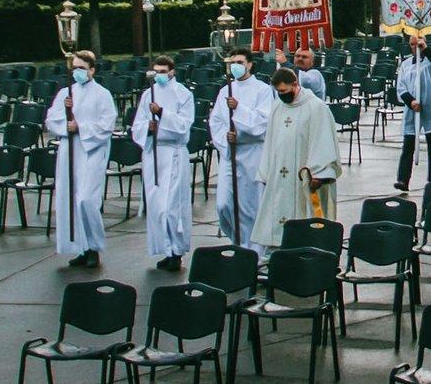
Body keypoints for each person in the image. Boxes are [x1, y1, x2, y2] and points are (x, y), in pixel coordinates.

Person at [250, 66, 344, 249]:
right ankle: (277, 250)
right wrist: (266, 172)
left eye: (284, 91)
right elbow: (270, 141)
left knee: (306, 220)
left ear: (295, 84)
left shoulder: (316, 107)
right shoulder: (278, 105)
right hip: (280, 177)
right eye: (278, 91)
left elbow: (324, 141)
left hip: (306, 178)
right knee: (278, 220)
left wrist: (319, 173)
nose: (281, 95)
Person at [45, 49, 117, 268]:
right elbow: (52, 119)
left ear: (92, 70)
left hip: (91, 150)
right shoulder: (66, 93)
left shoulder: (102, 94)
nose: (77, 71)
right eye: (74, 68)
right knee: (71, 199)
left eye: (82, 68)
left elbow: (107, 125)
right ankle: (81, 246)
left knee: (86, 199)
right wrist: (65, 127)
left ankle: (94, 246)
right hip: (69, 149)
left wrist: (81, 127)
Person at [131, 54, 195, 271]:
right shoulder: (148, 94)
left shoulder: (182, 94)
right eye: (156, 71)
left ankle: (177, 249)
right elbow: (137, 124)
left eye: (163, 72)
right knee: (157, 207)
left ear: (172, 72)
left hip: (174, 153)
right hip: (154, 153)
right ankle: (165, 249)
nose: (159, 75)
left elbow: (185, 124)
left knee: (171, 207)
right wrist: (147, 129)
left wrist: (162, 114)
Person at [209, 49, 270, 250]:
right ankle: (238, 239)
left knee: (250, 206)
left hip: (252, 153)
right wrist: (227, 137)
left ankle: (253, 249)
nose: (235, 65)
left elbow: (263, 122)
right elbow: (216, 121)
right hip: (230, 153)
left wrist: (239, 110)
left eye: (240, 61)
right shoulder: (225, 90)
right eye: (233, 62)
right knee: (224, 204)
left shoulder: (262, 90)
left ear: (250, 64)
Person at [395, 33, 431, 190]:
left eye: (417, 44)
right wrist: (411, 101)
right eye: (412, 44)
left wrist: (425, 50)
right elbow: (401, 87)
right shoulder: (406, 64)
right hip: (414, 107)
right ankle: (403, 179)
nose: (414, 47)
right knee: (408, 144)